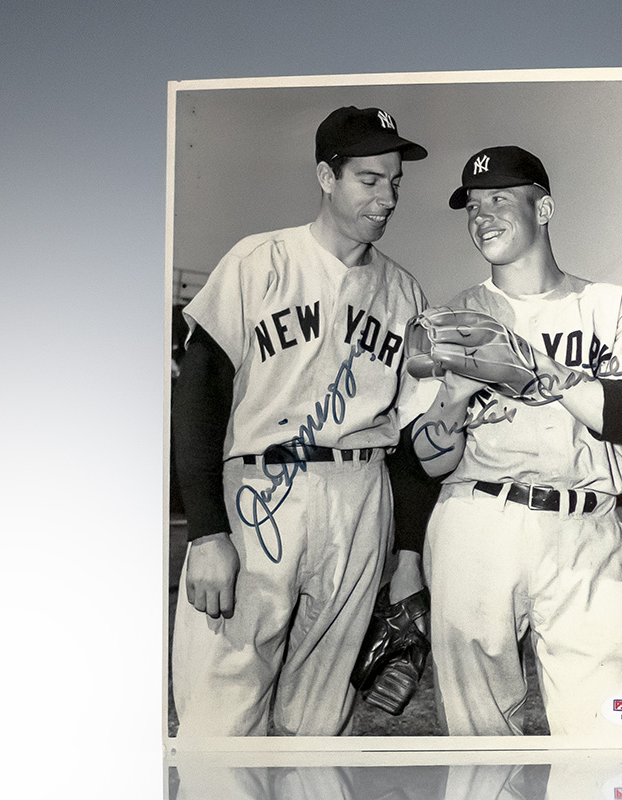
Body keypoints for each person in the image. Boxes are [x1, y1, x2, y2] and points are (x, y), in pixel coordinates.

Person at [171, 106, 429, 736]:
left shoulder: (405, 293)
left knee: (321, 720)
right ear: (325, 176)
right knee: (220, 713)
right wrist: (206, 532)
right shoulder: (259, 261)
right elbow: (198, 395)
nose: (388, 197)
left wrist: (408, 553)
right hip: (261, 491)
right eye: (370, 180)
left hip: (361, 498)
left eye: (395, 181)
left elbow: (406, 438)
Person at [410, 146, 622, 736]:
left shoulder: (609, 306)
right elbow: (430, 461)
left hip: (585, 527)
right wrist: (452, 400)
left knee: (613, 738)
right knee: (478, 745)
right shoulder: (454, 317)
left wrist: (539, 369)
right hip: (476, 524)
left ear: (546, 208)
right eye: (473, 205)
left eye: (501, 199)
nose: (483, 215)